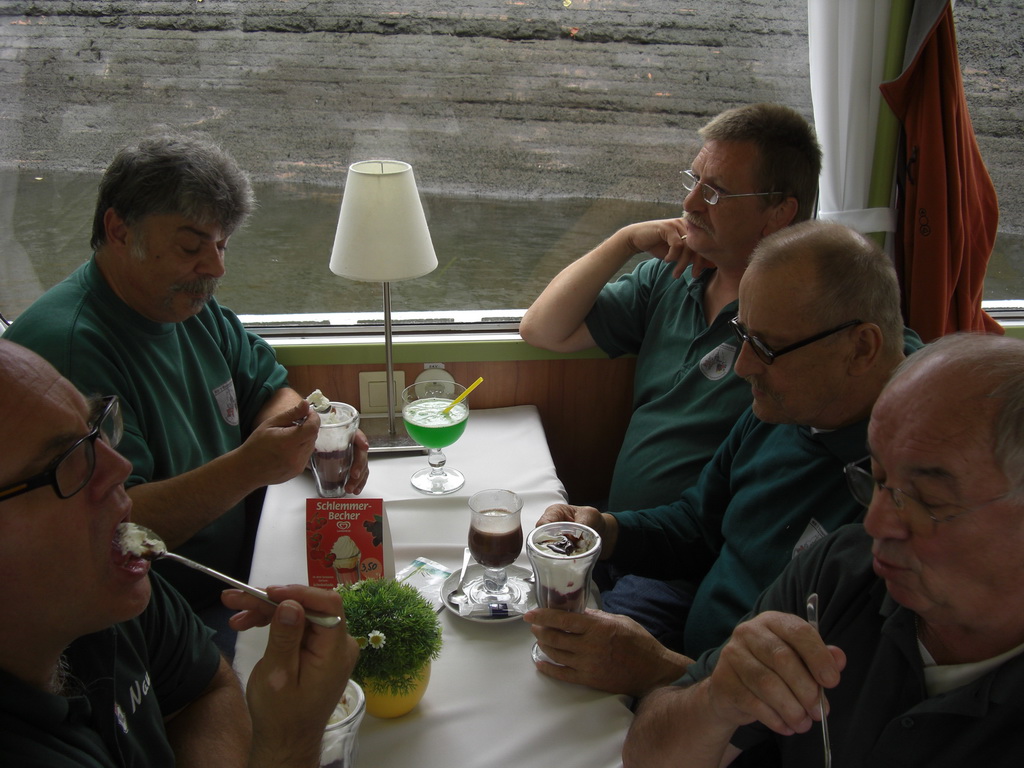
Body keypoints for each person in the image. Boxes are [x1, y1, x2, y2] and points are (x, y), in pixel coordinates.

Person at [525, 220, 921, 697]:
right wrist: (607, 530)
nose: (743, 366)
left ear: (862, 348)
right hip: (695, 660)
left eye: (767, 347)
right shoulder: (791, 405)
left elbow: (823, 701)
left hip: (730, 707)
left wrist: (661, 670)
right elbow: (699, 523)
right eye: (743, 335)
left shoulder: (905, 492)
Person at [4, 132, 369, 649]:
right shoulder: (69, 352)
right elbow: (112, 525)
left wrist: (308, 437)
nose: (216, 268)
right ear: (118, 229)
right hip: (153, 622)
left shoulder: (187, 306)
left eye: (221, 246)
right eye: (191, 246)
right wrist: (250, 467)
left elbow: (271, 390)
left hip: (238, 575)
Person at [623, 332, 1024, 767]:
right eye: (876, 479)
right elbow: (649, 757)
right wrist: (714, 700)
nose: (875, 524)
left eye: (927, 500)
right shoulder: (836, 575)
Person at [0, 339, 360, 766]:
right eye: (67, 461)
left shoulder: (100, 586)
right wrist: (289, 741)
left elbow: (204, 689)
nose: (120, 467)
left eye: (96, 429)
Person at [520, 103, 822, 510]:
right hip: (620, 528)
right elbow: (542, 330)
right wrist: (624, 241)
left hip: (694, 541)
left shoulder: (804, 321)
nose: (691, 202)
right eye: (694, 180)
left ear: (779, 213)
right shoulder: (670, 277)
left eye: (715, 192)